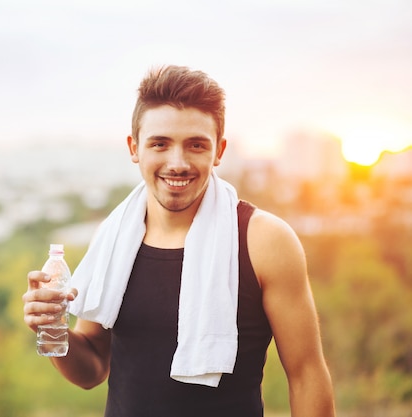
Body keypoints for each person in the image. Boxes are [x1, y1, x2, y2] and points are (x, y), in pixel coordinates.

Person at [22, 65, 336, 416]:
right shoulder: (113, 238)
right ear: (134, 147)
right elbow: (92, 368)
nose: (178, 163)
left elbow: (307, 375)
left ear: (219, 151)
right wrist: (52, 329)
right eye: (160, 144)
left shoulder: (264, 241)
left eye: (196, 145)